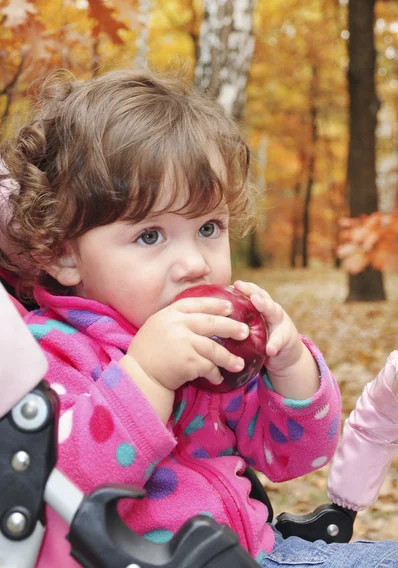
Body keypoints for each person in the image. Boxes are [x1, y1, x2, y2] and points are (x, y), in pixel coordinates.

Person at [0, 67, 396, 568]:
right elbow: (58, 486)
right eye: (150, 235)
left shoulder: (217, 345)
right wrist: (145, 376)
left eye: (209, 226)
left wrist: (289, 363)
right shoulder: (48, 354)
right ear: (63, 254)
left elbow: (297, 458)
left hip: (261, 551)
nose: (195, 263)